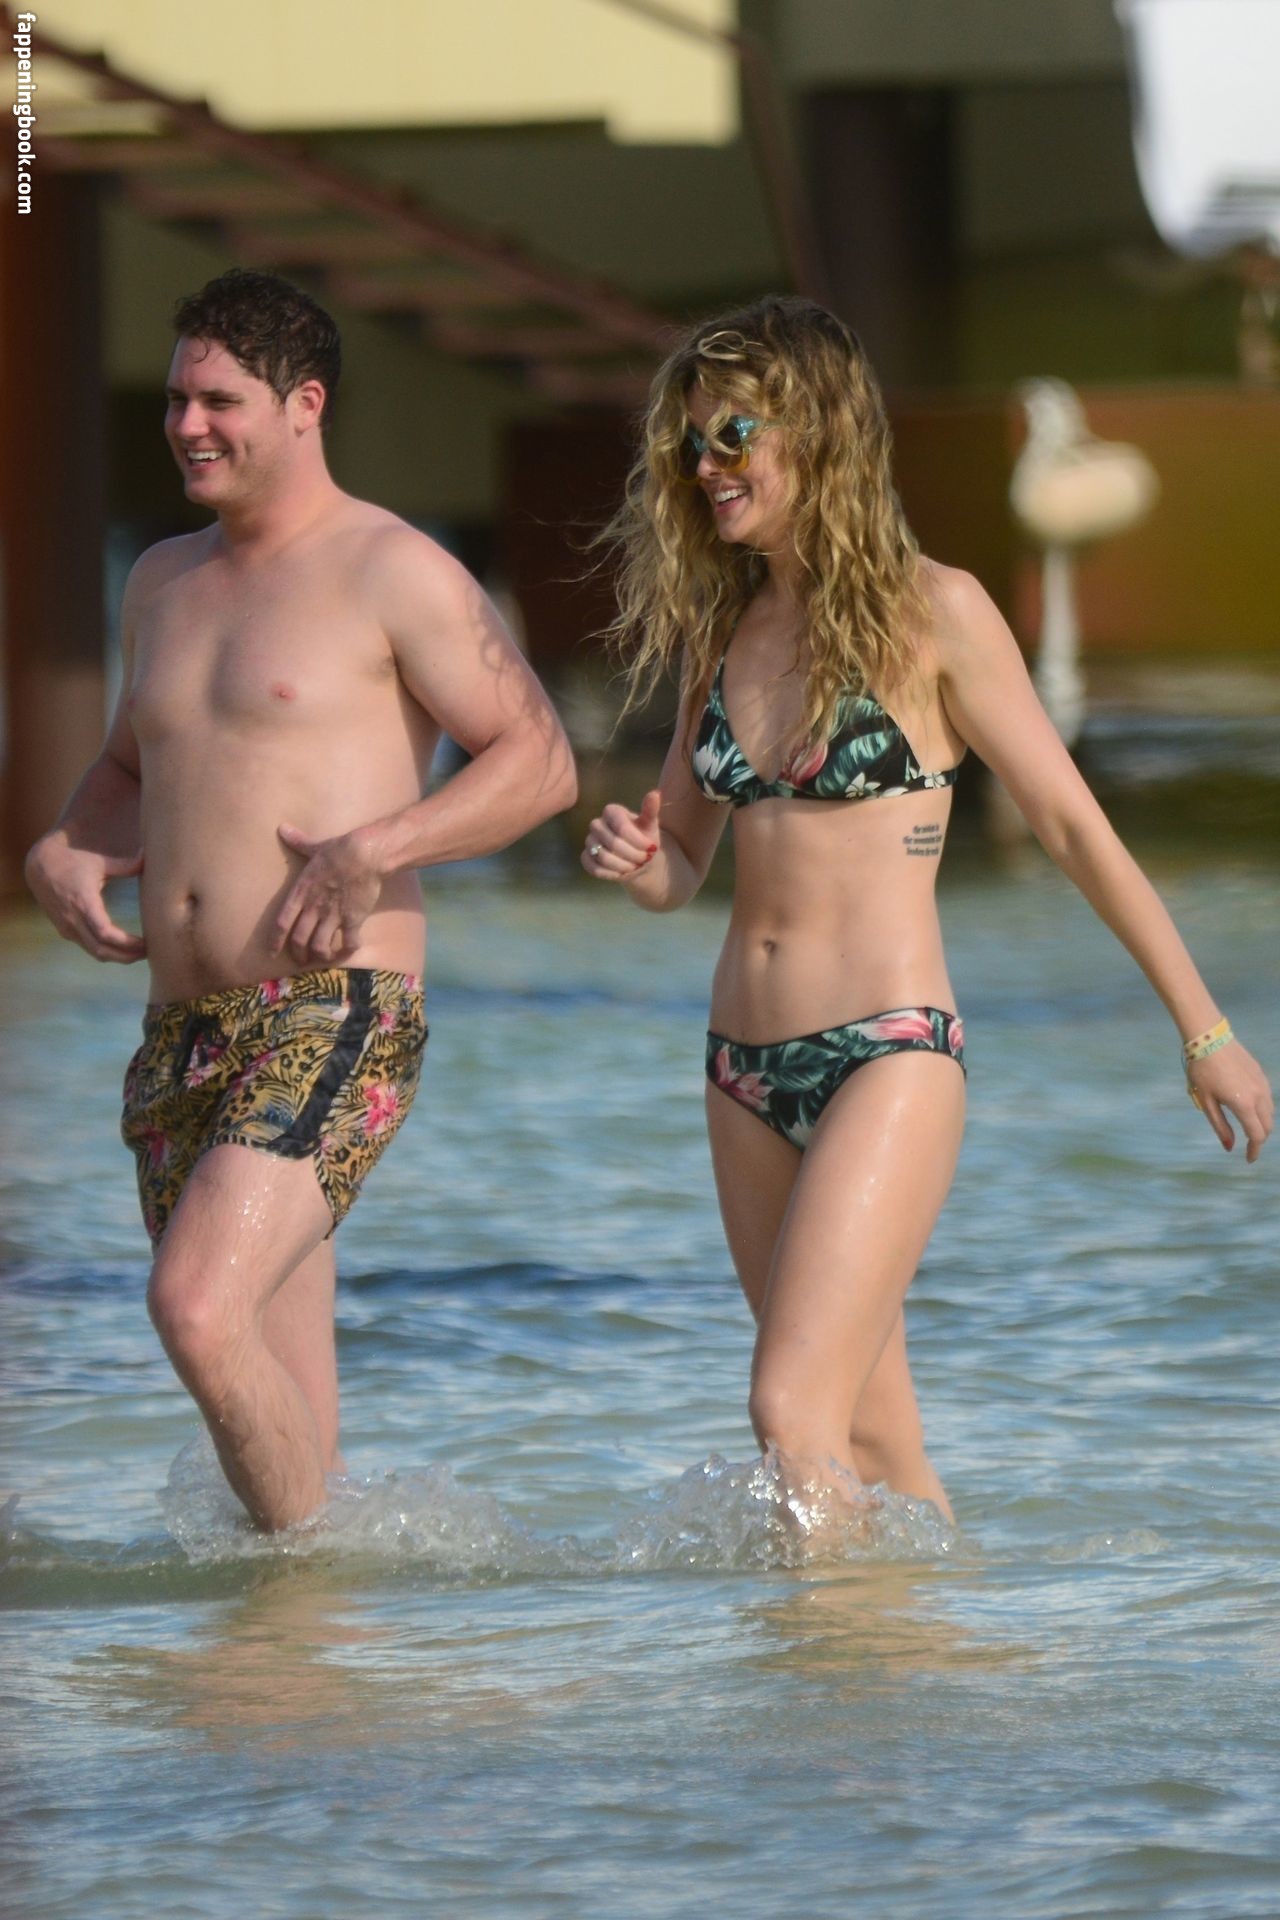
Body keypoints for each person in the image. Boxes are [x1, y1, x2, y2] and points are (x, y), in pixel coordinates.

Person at [582, 296, 1272, 1526]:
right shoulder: (720, 628)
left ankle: (811, 1657)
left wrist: (1202, 1030)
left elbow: (1071, 828)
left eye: (732, 434)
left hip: (887, 1055)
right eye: (690, 441)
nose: (704, 466)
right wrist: (635, 859)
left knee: (787, 1410)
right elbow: (681, 862)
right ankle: (926, 1647)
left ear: (817, 432)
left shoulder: (933, 611)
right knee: (870, 1440)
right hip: (741, 1072)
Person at [25, 269, 577, 1533]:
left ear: (304, 405)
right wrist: (65, 848)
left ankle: (295, 1580)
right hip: (182, 1033)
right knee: (271, 1382)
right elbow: (129, 769)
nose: (186, 425)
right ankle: (306, 1645)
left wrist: (377, 849)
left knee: (194, 1310)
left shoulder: (393, 569)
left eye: (219, 400)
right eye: (177, 399)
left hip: (333, 1009)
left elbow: (539, 761)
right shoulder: (160, 580)